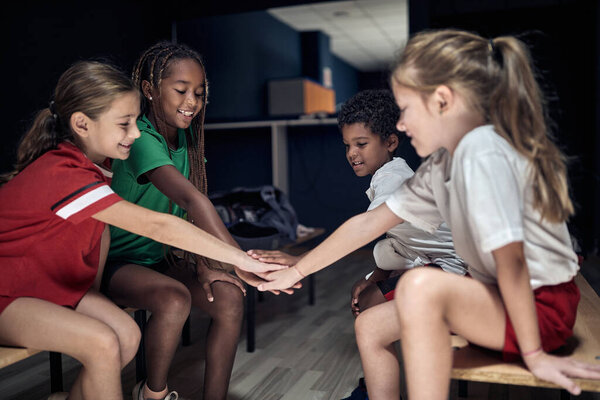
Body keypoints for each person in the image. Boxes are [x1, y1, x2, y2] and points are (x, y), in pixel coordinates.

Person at [257, 28, 600, 399]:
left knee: (420, 287)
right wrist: (296, 270)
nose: (400, 125)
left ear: (442, 100)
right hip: (493, 296)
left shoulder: (485, 153)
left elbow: (513, 262)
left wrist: (535, 356)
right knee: (370, 327)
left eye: (405, 111)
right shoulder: (443, 162)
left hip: (539, 310)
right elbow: (369, 223)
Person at [0, 60, 278, 400]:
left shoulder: (94, 166)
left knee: (127, 335)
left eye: (134, 121)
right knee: (102, 343)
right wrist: (243, 260)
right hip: (9, 296)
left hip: (45, 289)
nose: (135, 133)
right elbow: (158, 224)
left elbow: (100, 235)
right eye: (125, 124)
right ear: (82, 124)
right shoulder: (62, 172)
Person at [102, 41, 296, 400]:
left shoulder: (189, 140)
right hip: (117, 263)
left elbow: (185, 214)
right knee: (175, 300)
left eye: (199, 93)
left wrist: (205, 265)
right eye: (180, 90)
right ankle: (152, 394)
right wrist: (241, 260)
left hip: (163, 259)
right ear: (149, 89)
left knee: (229, 298)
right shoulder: (141, 136)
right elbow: (192, 199)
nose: (191, 101)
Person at [250, 89, 466, 400]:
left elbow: (363, 230)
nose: (352, 153)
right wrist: (374, 276)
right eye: (347, 145)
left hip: (453, 276)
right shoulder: (392, 175)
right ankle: (375, 386)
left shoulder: (394, 179)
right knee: (366, 300)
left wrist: (298, 267)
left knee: (369, 322)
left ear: (390, 142)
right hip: (435, 268)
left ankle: (378, 390)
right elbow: (404, 241)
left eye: (361, 144)